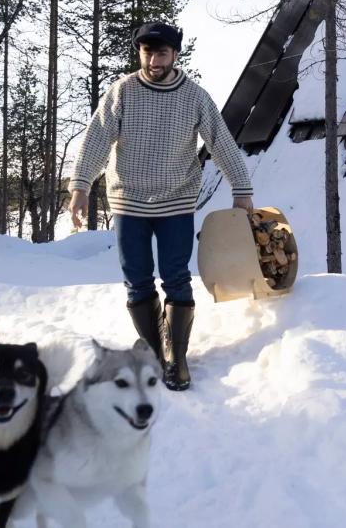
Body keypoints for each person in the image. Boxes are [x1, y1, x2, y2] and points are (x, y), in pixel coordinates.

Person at [68, 22, 253, 391]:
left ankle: (177, 358)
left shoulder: (195, 97)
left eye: (161, 53)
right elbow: (96, 139)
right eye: (147, 52)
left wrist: (242, 187)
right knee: (136, 279)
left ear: (175, 55)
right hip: (128, 200)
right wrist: (80, 186)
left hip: (176, 200)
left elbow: (222, 142)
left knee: (176, 276)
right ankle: (154, 352)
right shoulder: (121, 92)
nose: (154, 60)